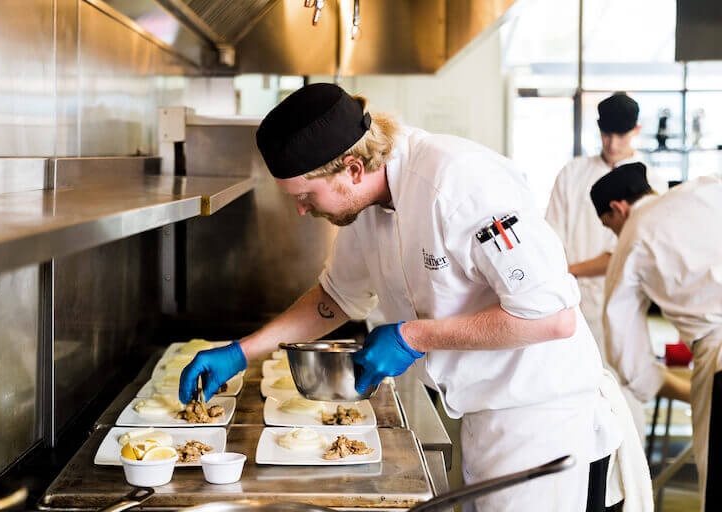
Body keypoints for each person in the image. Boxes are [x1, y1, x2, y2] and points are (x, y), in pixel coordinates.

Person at [179, 83, 636, 511]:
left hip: (544, 421)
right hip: (483, 417)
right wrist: (243, 352)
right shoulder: (364, 204)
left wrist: (413, 336)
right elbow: (335, 298)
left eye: (306, 195)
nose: (301, 209)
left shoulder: (460, 182)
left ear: (352, 169)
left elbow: (552, 317)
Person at [591, 163, 721, 509]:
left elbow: (626, 354)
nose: (615, 235)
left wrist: (685, 389)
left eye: (610, 226)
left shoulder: (634, 235)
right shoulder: (708, 186)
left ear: (618, 209)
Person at [546, 93, 664, 439]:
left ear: (636, 131)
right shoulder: (572, 173)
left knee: (623, 398)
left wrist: (570, 271)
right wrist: (562, 283)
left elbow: (627, 254)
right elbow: (552, 239)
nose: (613, 144)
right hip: (572, 303)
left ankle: (629, 488)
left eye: (622, 136)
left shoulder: (649, 179)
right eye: (606, 135)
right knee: (573, 398)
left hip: (623, 304)